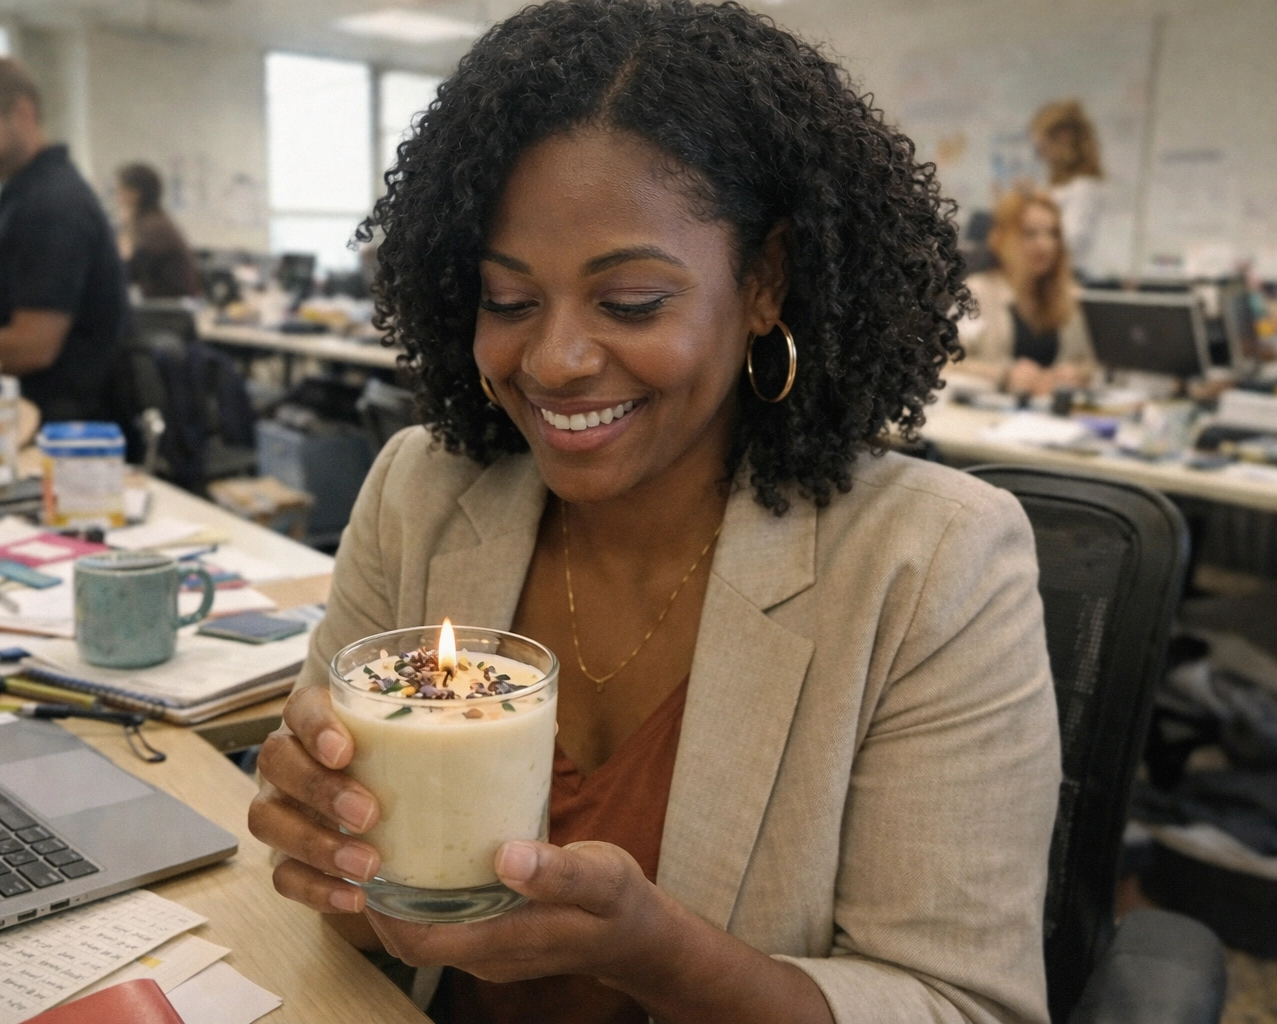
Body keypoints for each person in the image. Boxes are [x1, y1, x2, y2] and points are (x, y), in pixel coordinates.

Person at [247, 3, 1061, 1023]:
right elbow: (362, 915)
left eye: (630, 302)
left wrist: (661, 957)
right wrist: (333, 852)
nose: (553, 361)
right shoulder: (422, 491)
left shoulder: (935, 564)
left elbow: (961, 1007)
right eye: (508, 301)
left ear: (764, 281)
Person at [0, 56, 129, 424]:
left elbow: (32, 347)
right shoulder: (29, 193)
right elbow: (19, 311)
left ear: (22, 113)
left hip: (61, 431)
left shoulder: (52, 205)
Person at [959, 189, 1096, 397]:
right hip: (988, 414)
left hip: (1051, 418)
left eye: (1052, 234)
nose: (1045, 244)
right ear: (1001, 239)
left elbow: (1088, 364)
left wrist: (1074, 374)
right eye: (1030, 234)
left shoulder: (1066, 296)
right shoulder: (976, 292)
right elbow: (943, 363)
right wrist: (1003, 375)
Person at [1030, 99, 1105, 277]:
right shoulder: (1055, 185)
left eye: (1042, 147)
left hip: (1069, 276)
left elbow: (1070, 241)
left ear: (1064, 138)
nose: (1040, 156)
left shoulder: (1084, 188)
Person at [115, 162, 202, 300]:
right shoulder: (155, 221)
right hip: (165, 306)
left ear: (135, 193)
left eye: (121, 189)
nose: (117, 195)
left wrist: (124, 231)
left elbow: (129, 272)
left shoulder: (153, 228)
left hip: (169, 312)